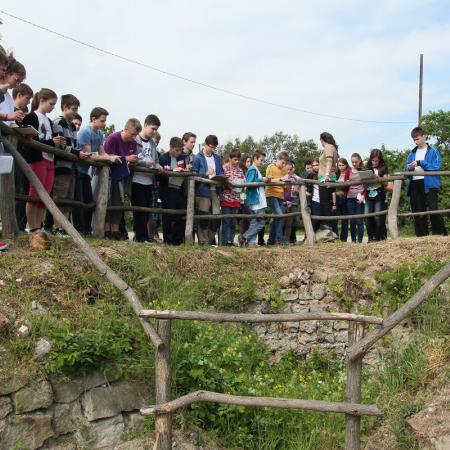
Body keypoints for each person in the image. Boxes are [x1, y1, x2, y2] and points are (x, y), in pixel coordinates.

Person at [22, 88, 64, 234]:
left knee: (44, 195)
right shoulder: (31, 117)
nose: (53, 107)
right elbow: (32, 140)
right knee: (34, 193)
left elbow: (51, 140)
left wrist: (58, 143)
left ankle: (38, 227)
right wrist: (52, 142)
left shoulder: (50, 121)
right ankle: (32, 226)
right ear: (42, 101)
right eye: (51, 104)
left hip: (50, 160)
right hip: (37, 159)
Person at [73, 107, 120, 236]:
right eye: (102, 121)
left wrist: (110, 158)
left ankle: (87, 229)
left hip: (87, 172)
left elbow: (101, 153)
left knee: (89, 201)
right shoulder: (85, 132)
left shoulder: (100, 134)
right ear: (94, 119)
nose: (105, 124)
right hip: (77, 170)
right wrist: (109, 157)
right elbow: (89, 155)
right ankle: (78, 229)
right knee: (79, 201)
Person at [45, 94, 82, 236]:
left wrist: (78, 153)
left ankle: (64, 226)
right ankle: (57, 227)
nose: (75, 112)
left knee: (68, 198)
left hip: (71, 166)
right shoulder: (58, 123)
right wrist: (77, 153)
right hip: (61, 165)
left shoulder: (72, 125)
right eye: (73, 109)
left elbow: (74, 145)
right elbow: (61, 146)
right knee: (59, 197)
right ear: (65, 107)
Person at [103, 118, 141, 240]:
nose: (133, 137)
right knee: (108, 202)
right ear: (125, 129)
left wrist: (134, 161)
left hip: (123, 177)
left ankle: (115, 230)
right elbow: (108, 156)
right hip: (109, 176)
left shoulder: (133, 143)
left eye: (135, 135)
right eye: (132, 134)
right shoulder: (113, 138)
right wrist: (127, 158)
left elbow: (130, 159)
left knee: (118, 203)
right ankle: (106, 230)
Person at [405, 127, 447, 236]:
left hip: (430, 183)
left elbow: (436, 166)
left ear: (424, 136)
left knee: (433, 210)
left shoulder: (433, 151)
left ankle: (440, 235)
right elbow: (406, 169)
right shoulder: (411, 153)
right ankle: (421, 237)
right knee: (418, 212)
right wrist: (409, 167)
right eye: (413, 139)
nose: (415, 141)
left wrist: (421, 163)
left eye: (417, 139)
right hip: (415, 183)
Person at [131, 114, 161, 242]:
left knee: (147, 210)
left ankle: (144, 237)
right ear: (146, 125)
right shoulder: (135, 140)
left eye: (156, 130)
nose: (154, 132)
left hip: (149, 181)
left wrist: (159, 167)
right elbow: (132, 158)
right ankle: (140, 237)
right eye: (153, 129)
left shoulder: (153, 144)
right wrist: (144, 163)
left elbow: (156, 160)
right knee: (139, 210)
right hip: (136, 179)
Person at [192, 135, 224, 245]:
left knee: (216, 217)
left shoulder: (217, 158)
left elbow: (221, 172)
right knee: (203, 217)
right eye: (211, 147)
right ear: (205, 144)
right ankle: (203, 242)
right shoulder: (197, 158)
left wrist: (221, 177)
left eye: (214, 147)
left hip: (215, 190)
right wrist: (205, 174)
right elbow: (194, 174)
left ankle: (209, 240)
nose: (212, 149)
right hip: (202, 191)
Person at [11, 83, 33, 231]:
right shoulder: (9, 111)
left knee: (21, 190)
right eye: (27, 98)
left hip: (20, 156)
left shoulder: (19, 115)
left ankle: (19, 225)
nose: (28, 102)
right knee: (16, 190)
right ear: (19, 95)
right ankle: (15, 225)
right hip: (11, 154)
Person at [158, 137, 187, 245]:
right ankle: (168, 240)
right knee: (167, 217)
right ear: (171, 147)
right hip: (167, 191)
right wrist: (171, 171)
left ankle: (177, 240)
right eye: (177, 150)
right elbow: (158, 176)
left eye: (180, 150)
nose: (179, 153)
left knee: (180, 216)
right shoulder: (163, 158)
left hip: (179, 190)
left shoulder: (182, 158)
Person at [239, 150, 271, 247]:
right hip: (256, 201)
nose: (262, 162)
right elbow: (249, 183)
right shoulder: (253, 169)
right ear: (255, 159)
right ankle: (244, 237)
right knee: (260, 223)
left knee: (255, 223)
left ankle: (251, 243)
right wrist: (262, 179)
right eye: (261, 160)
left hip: (259, 201)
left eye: (263, 160)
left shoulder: (255, 169)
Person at [220, 148, 245, 246]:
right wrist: (227, 184)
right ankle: (225, 242)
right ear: (230, 158)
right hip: (226, 198)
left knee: (233, 222)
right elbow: (220, 181)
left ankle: (230, 240)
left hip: (236, 199)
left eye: (238, 160)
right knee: (226, 221)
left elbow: (244, 181)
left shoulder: (240, 170)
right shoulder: (224, 168)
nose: (237, 162)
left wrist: (241, 185)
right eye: (235, 159)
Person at [265, 151, 290, 245]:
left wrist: (287, 182)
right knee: (279, 215)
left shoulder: (284, 170)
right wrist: (280, 179)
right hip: (271, 194)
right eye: (282, 162)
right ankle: (280, 239)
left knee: (277, 218)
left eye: (285, 163)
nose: (283, 165)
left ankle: (270, 240)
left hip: (280, 195)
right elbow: (268, 180)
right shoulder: (270, 167)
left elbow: (285, 186)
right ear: (278, 159)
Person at [365, 149, 388, 241]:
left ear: (380, 160)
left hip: (379, 195)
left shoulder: (384, 167)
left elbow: (386, 183)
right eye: (373, 160)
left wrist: (378, 178)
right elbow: (364, 184)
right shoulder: (367, 167)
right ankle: (370, 238)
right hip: (368, 195)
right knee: (367, 217)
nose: (374, 162)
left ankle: (378, 238)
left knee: (378, 217)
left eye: (376, 160)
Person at [318, 132, 339, 229]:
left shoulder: (328, 147)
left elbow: (329, 160)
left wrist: (326, 175)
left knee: (325, 202)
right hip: (329, 178)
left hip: (326, 178)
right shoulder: (333, 147)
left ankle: (327, 226)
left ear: (322, 140)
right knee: (327, 202)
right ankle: (327, 225)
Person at [346, 153, 366, 243]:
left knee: (359, 220)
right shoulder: (348, 171)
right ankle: (353, 241)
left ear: (360, 161)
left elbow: (366, 185)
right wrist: (346, 182)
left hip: (359, 198)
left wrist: (363, 196)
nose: (354, 164)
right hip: (350, 197)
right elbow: (345, 183)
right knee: (352, 221)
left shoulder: (363, 170)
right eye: (352, 162)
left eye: (356, 162)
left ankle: (360, 240)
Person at [283, 161, 301, 244]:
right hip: (282, 202)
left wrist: (296, 191)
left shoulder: (298, 179)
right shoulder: (281, 177)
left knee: (290, 223)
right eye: (287, 169)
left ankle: (287, 240)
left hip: (293, 202)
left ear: (293, 168)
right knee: (280, 221)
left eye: (291, 169)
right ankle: (277, 239)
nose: (289, 171)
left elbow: (301, 191)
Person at [334, 158, 351, 242]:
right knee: (335, 218)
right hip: (336, 198)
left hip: (345, 198)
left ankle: (343, 238)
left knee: (345, 219)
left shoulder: (349, 173)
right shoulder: (335, 174)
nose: (341, 167)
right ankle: (336, 237)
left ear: (346, 165)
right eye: (339, 165)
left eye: (342, 165)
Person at [307, 158, 321, 231]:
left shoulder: (324, 174)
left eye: (317, 165)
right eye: (313, 165)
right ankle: (309, 236)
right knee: (315, 219)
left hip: (324, 200)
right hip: (315, 199)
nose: (315, 167)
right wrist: (306, 192)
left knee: (323, 220)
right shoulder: (310, 176)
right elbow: (305, 186)